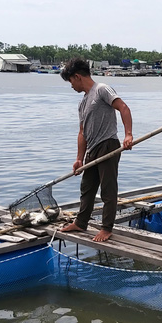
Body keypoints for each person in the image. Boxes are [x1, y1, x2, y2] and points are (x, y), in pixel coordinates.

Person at [59, 58, 133, 242]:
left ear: (77, 76)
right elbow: (82, 132)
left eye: (71, 81)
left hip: (108, 144)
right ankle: (80, 222)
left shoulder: (101, 89)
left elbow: (123, 107)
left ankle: (107, 228)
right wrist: (79, 158)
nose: (71, 86)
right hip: (92, 149)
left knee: (108, 189)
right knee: (87, 188)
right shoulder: (82, 103)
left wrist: (128, 134)